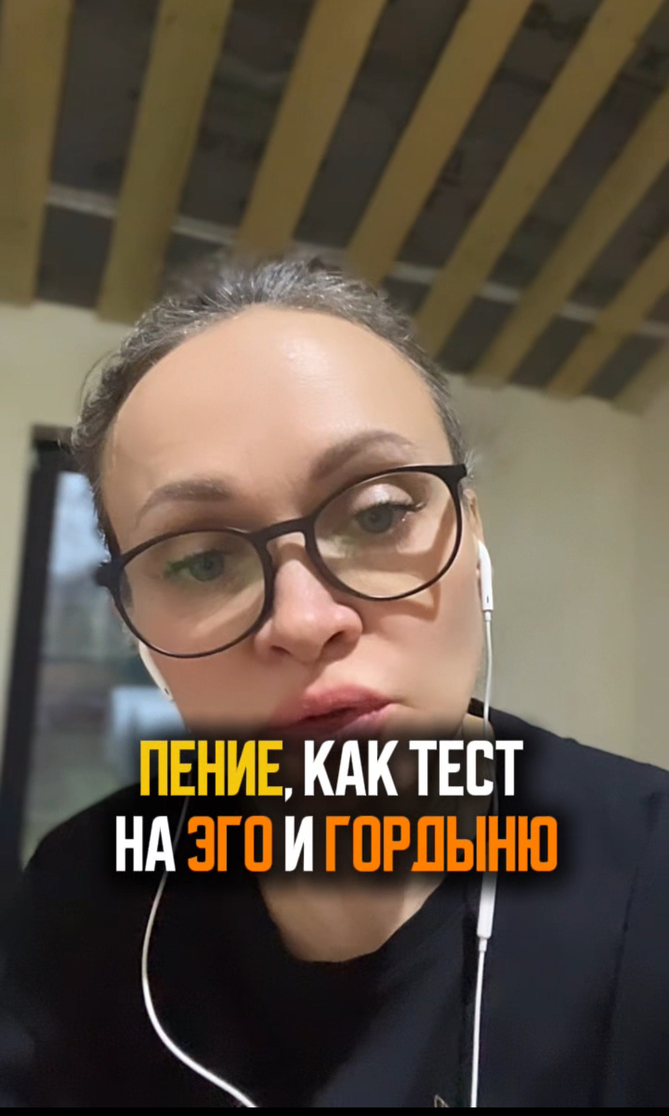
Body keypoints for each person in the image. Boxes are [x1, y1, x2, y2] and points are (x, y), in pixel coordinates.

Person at [1, 255, 668, 1108]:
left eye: (378, 514)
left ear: (472, 541)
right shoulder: (81, 897)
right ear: (135, 629)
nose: (305, 620)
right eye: (202, 560)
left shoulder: (647, 879)